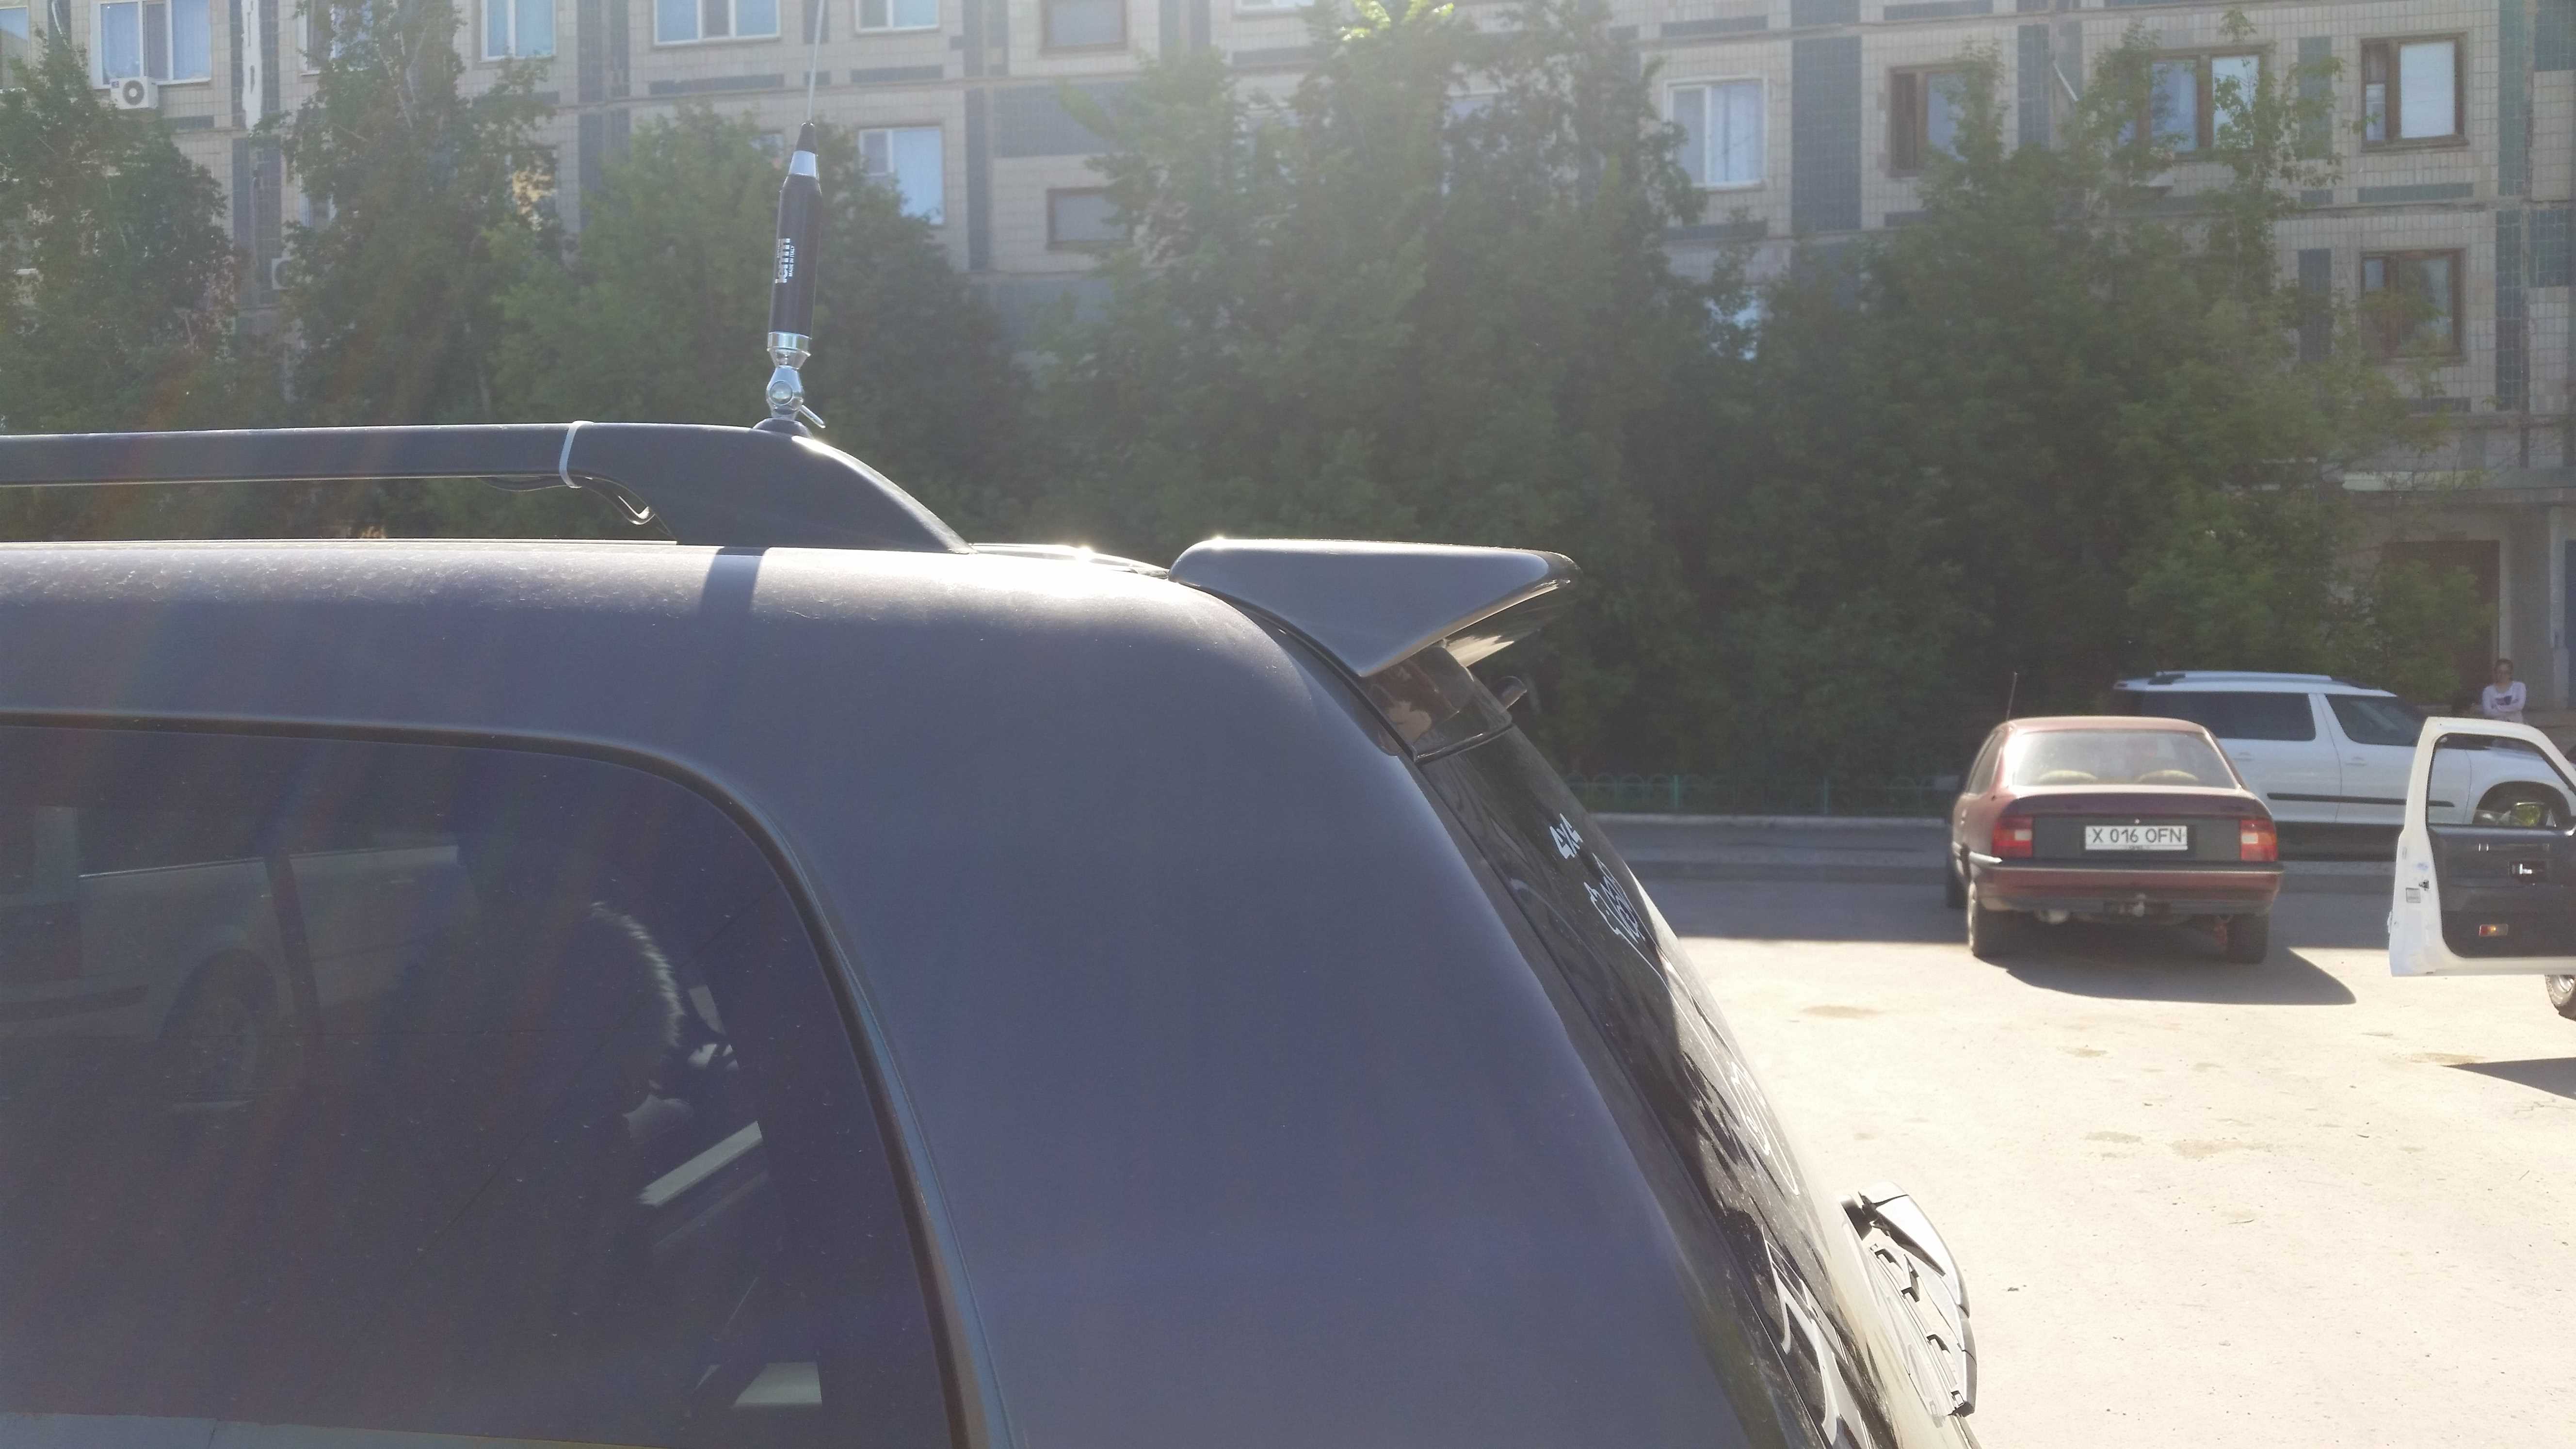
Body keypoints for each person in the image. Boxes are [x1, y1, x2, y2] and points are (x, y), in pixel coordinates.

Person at [2480, 658, 2527, 724]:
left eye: (2506, 672)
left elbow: (2520, 706)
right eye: (2500, 672)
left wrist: (2498, 708)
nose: (2503, 675)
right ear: (2495, 673)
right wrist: (2513, 709)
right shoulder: (2488, 691)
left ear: (2511, 673)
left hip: (2517, 726)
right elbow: (2488, 712)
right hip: (2498, 726)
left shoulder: (2519, 686)